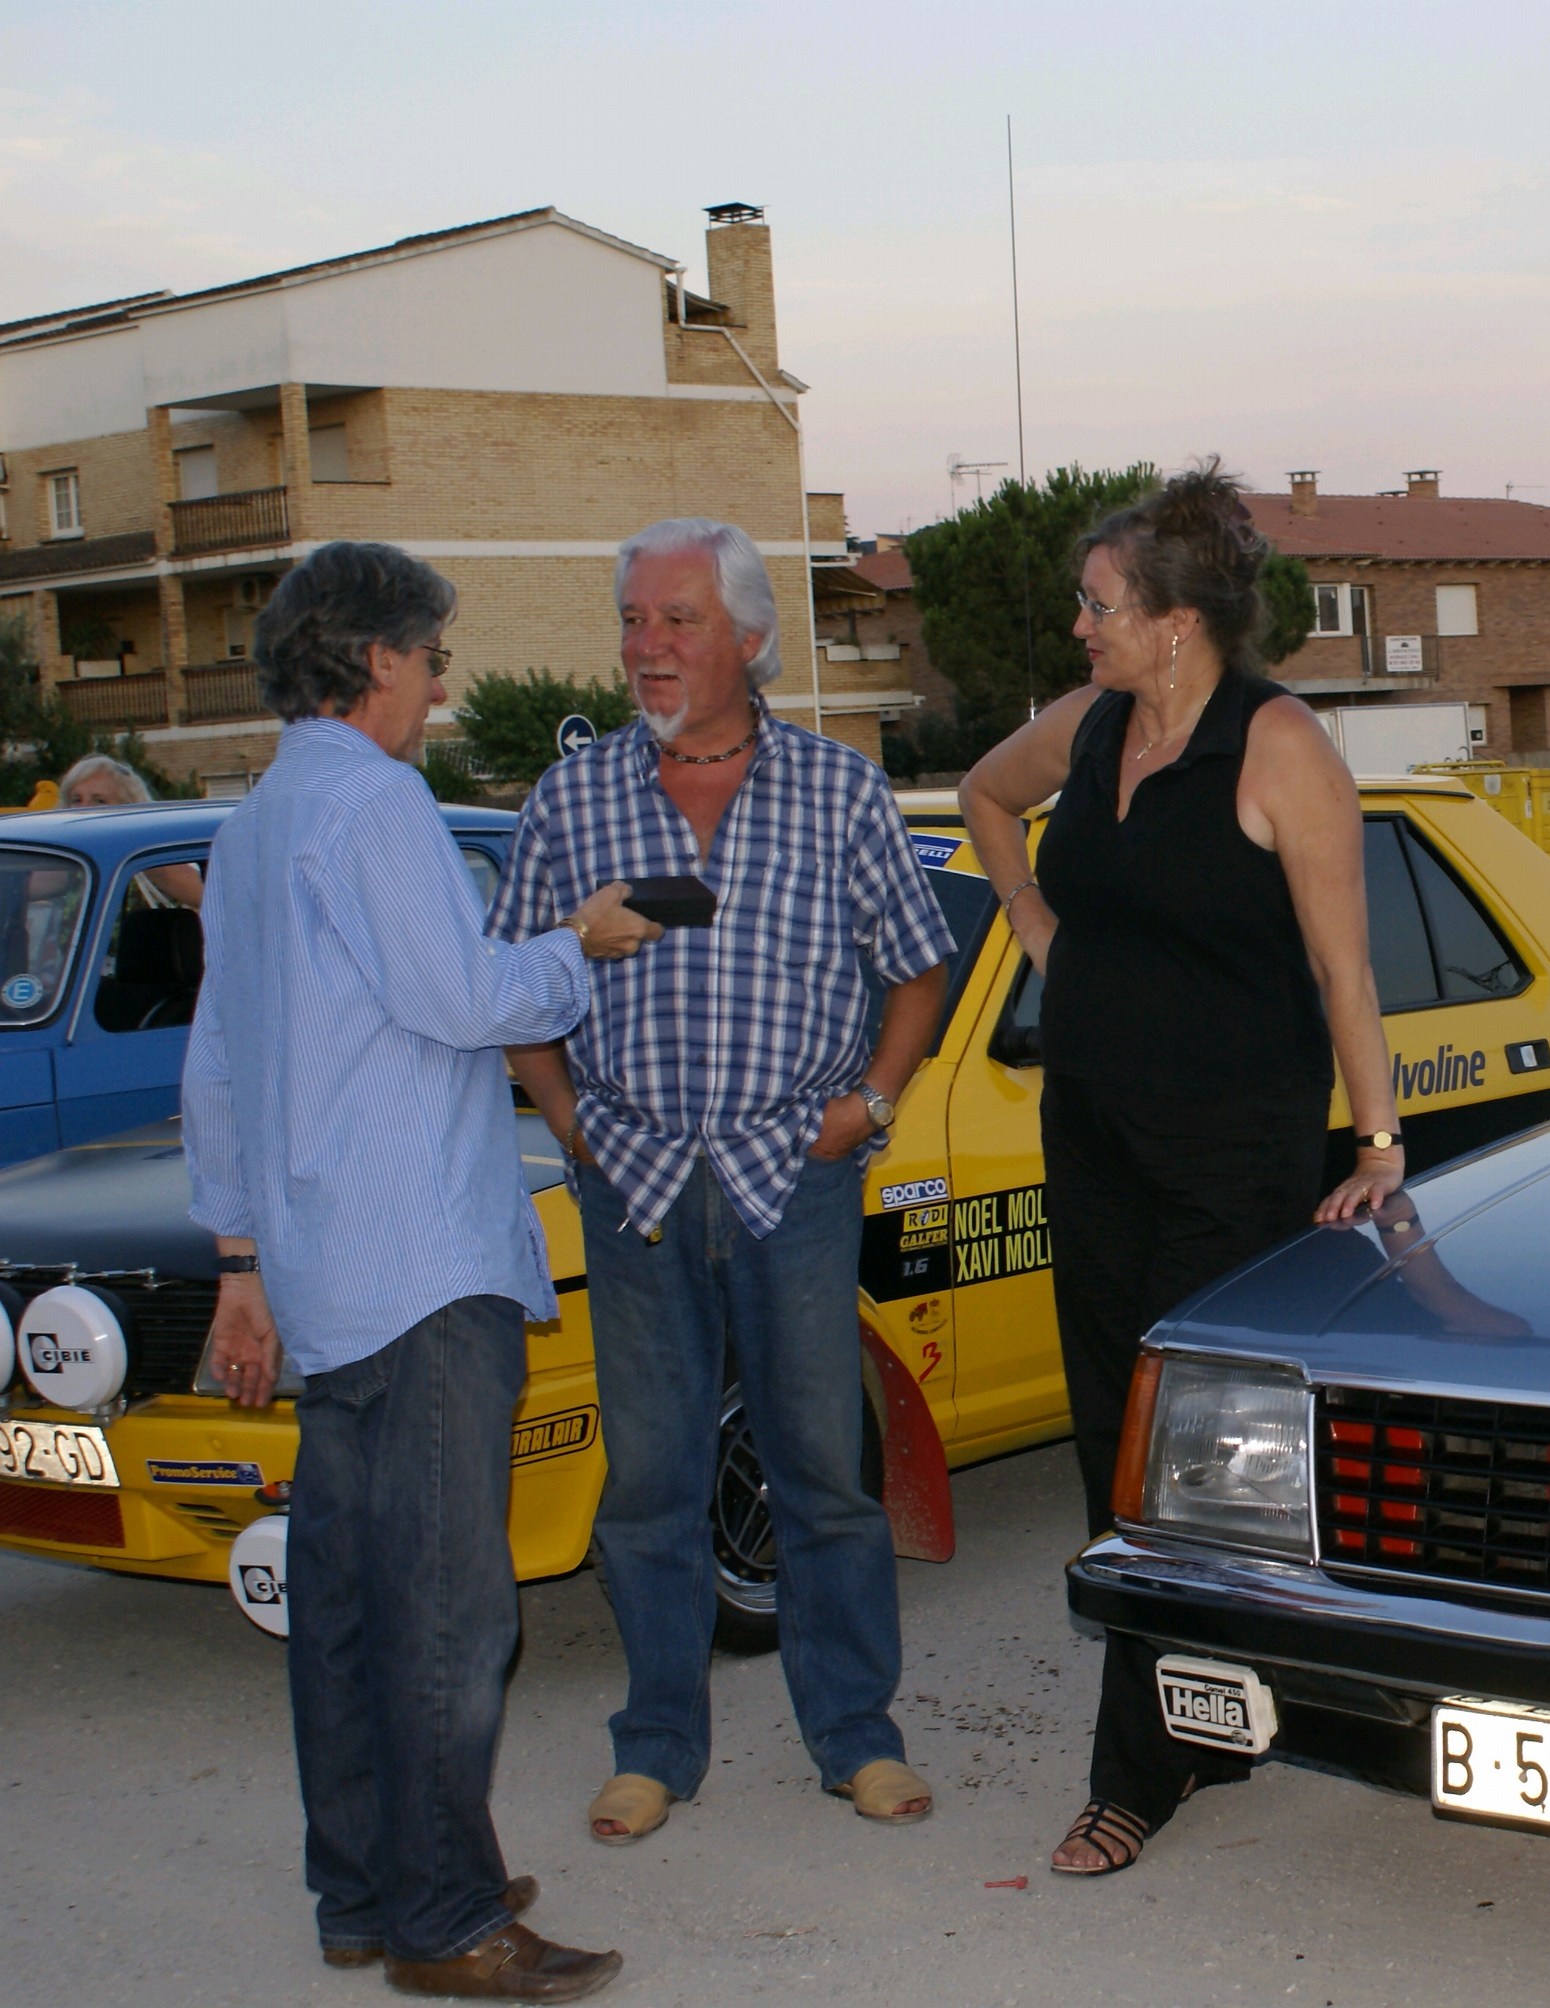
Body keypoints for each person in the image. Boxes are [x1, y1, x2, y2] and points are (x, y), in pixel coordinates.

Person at [185, 541, 658, 2001]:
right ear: (378, 656)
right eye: (433, 659)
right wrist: (578, 942)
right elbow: (464, 997)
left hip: (327, 1270)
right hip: (422, 1265)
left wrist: (239, 1257)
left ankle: (367, 1887)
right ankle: (447, 1918)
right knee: (448, 1606)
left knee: (344, 1599)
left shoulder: (258, 821)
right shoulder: (375, 803)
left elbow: (220, 1063)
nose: (442, 688)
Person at [956, 462, 1405, 1876]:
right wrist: (1042, 932)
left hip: (1232, 1150)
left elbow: (1345, 970)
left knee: (1198, 1451)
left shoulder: (1279, 747)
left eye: (1098, 605)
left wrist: (1378, 1144)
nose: (1078, 627)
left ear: (1175, 620)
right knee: (1111, 1437)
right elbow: (982, 797)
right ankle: (1194, 1723)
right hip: (1093, 1131)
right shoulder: (1091, 725)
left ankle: (1138, 1771)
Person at [494, 517, 955, 1848]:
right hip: (631, 1180)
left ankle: (856, 1737)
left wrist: (869, 1105)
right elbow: (510, 980)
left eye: (677, 620)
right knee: (649, 1483)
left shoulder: (836, 791)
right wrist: (567, 1118)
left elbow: (919, 966)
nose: (646, 646)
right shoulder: (571, 798)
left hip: (792, 1179)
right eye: (633, 620)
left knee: (821, 1472)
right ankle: (655, 1746)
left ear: (749, 638)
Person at [59, 752, 204, 906]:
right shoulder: (61, 857)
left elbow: (209, 899)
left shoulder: (147, 855)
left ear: (127, 807)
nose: (84, 808)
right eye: (76, 800)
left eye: (99, 801)